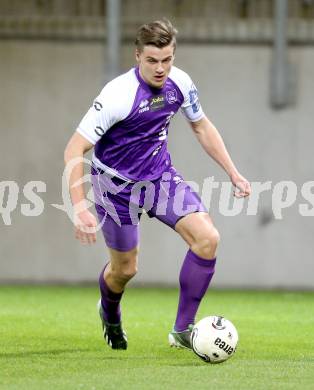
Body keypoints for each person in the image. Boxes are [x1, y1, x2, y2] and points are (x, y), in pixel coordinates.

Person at [64, 19, 251, 351]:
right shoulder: (117, 95)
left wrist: (233, 172)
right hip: (115, 188)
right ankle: (109, 310)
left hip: (159, 178)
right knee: (125, 270)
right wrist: (79, 208)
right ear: (137, 56)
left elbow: (202, 126)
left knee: (207, 239)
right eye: (152, 60)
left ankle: (182, 329)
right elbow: (74, 149)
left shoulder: (180, 84)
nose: (160, 68)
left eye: (167, 59)